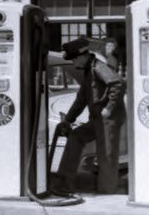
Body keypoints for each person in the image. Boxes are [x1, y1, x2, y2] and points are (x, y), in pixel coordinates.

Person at [54, 37, 126, 194]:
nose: (74, 63)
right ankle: (65, 181)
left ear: (81, 56)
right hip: (96, 119)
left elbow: (117, 83)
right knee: (76, 136)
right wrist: (68, 120)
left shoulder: (98, 67)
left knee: (106, 156)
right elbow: (81, 100)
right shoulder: (88, 72)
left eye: (74, 59)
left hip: (108, 119)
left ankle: (107, 192)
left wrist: (109, 107)